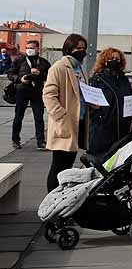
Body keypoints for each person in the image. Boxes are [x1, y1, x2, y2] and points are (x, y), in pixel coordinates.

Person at [41, 34, 91, 192]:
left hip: (78, 122)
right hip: (65, 123)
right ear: (69, 49)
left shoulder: (80, 69)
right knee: (58, 166)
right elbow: (48, 95)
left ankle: (61, 200)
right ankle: (51, 201)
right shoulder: (59, 67)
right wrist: (60, 115)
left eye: (84, 49)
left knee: (67, 167)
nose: (82, 52)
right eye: (78, 48)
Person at [87, 47, 132, 161]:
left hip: (122, 129)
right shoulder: (97, 79)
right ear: (104, 60)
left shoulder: (124, 80)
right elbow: (91, 102)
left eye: (118, 59)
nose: (115, 61)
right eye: (112, 58)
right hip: (103, 129)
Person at [8, 39, 51, 150]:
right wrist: (19, 79)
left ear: (37, 49)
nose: (29, 50)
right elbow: (10, 74)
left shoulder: (43, 62)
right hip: (22, 90)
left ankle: (41, 142)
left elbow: (50, 75)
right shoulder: (19, 60)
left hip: (36, 91)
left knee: (39, 117)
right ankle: (15, 140)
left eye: (32, 48)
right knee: (19, 116)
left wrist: (40, 73)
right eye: (27, 48)